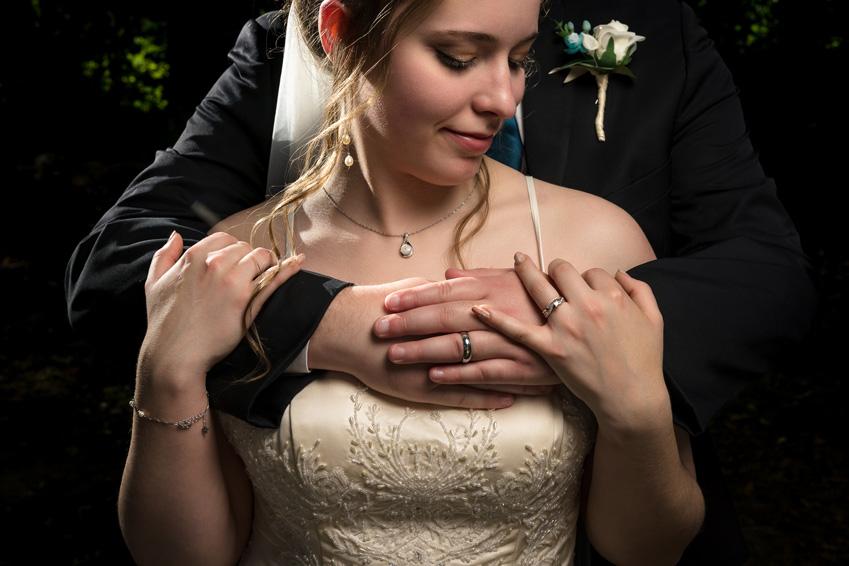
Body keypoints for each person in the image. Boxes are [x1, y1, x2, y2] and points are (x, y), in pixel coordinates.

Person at [66, 0, 818, 563]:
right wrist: (339, 325)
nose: (502, 97)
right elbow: (123, 262)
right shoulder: (245, 222)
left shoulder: (613, 189)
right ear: (336, 36)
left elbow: (765, 271)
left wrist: (597, 340)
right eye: (457, 57)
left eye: (520, 58)